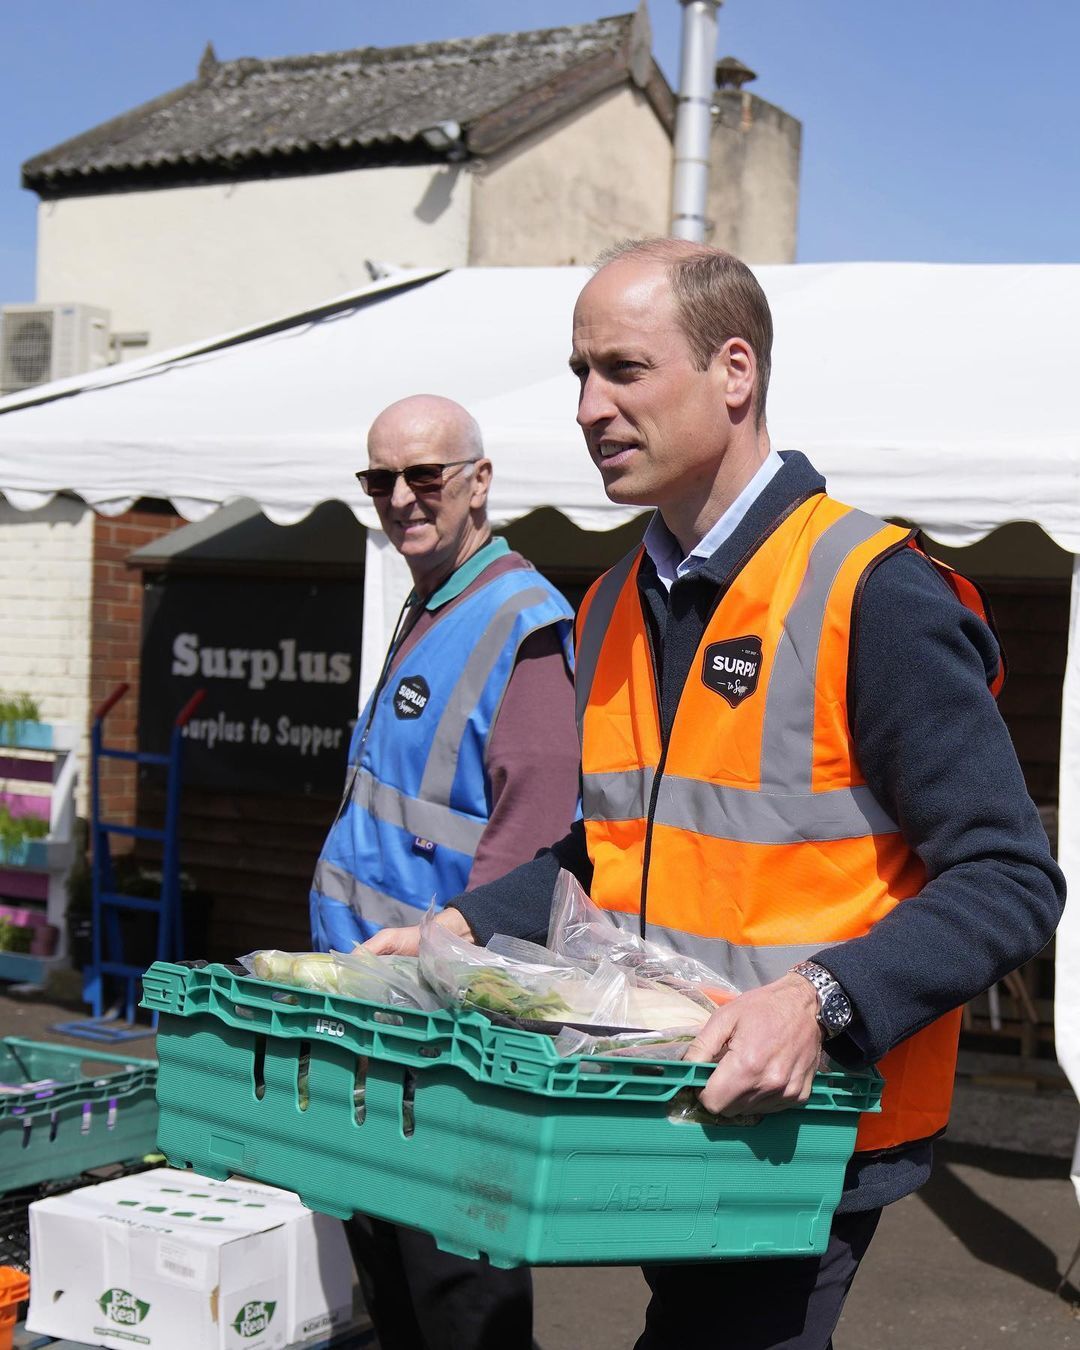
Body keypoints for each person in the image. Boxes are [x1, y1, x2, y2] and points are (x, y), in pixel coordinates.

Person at [367, 242, 1066, 1349]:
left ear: (734, 371)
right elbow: (606, 851)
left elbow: (1012, 879)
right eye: (579, 375)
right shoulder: (604, 607)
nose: (591, 407)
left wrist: (819, 1002)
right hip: (657, 1111)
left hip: (811, 1130)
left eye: (625, 370)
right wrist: (461, 927)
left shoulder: (870, 592)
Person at [310, 393, 579, 1350]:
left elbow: (541, 846)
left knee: (460, 1306)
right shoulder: (432, 601)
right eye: (379, 479)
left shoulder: (521, 620)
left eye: (425, 475)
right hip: (374, 1018)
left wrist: (450, 981)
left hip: (444, 1039)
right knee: (393, 1299)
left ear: (480, 482)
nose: (401, 497)